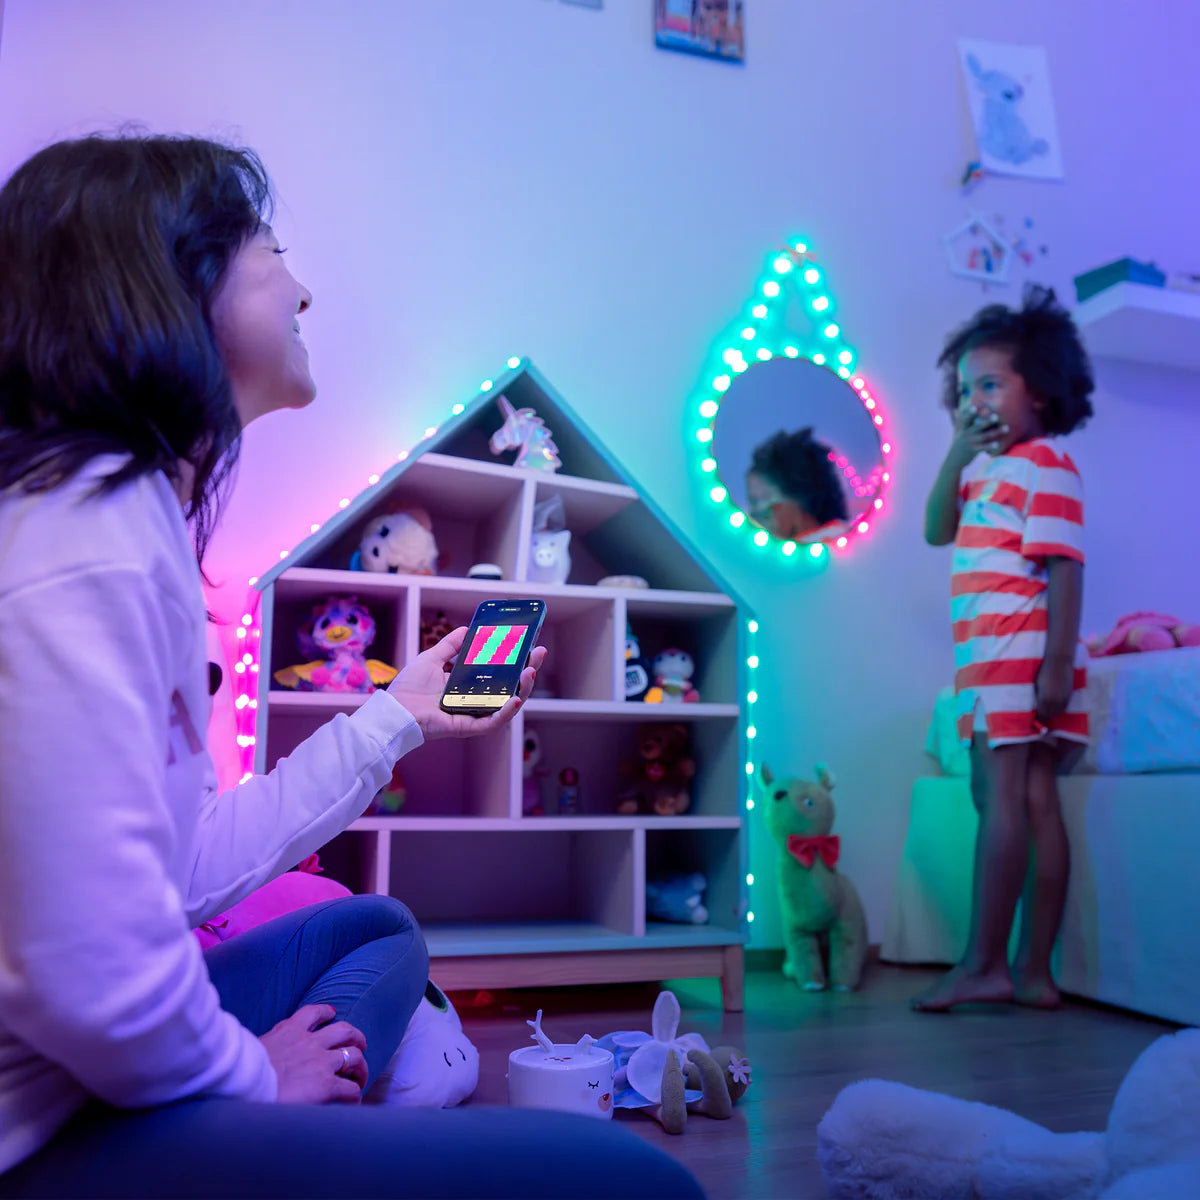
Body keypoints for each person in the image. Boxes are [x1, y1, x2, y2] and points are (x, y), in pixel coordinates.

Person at [0, 134, 703, 1200]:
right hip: (38, 1127)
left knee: (371, 927)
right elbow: (88, 973)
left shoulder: (126, 515)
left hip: (87, 1060)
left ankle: (278, 1128)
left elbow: (180, 872)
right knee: (640, 1186)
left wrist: (401, 712)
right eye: (272, 253)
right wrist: (250, 1073)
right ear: (176, 282)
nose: (304, 291)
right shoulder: (88, 539)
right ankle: (277, 1127)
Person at [913, 284, 1094, 1013]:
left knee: (1000, 800)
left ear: (1039, 391)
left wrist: (1057, 663)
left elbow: (1065, 566)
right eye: (963, 391)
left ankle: (984, 963)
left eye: (989, 385)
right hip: (993, 659)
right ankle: (1033, 974)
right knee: (1029, 800)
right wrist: (957, 453)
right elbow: (935, 528)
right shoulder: (986, 470)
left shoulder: (1045, 463)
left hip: (1016, 656)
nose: (973, 401)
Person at [745, 426, 849, 541]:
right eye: (753, 503)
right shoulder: (845, 540)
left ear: (799, 499)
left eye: (760, 501)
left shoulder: (834, 544)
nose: (754, 515)